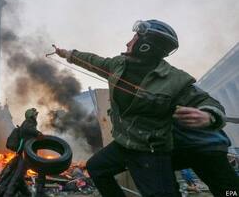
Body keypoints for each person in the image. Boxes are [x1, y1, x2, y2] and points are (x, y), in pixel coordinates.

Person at [55, 19, 226, 196]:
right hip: (124, 144)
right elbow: (92, 61)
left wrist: (208, 116)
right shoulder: (118, 65)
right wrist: (67, 54)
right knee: (96, 167)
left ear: (146, 46)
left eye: (134, 38)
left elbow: (208, 102)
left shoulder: (174, 79)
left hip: (150, 152)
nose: (128, 43)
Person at [0, 108, 43, 197]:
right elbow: (27, 129)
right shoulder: (29, 122)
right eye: (35, 114)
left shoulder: (28, 122)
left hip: (24, 153)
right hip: (26, 153)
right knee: (18, 176)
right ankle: (7, 194)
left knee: (18, 175)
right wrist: (38, 133)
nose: (36, 116)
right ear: (31, 115)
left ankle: (26, 194)